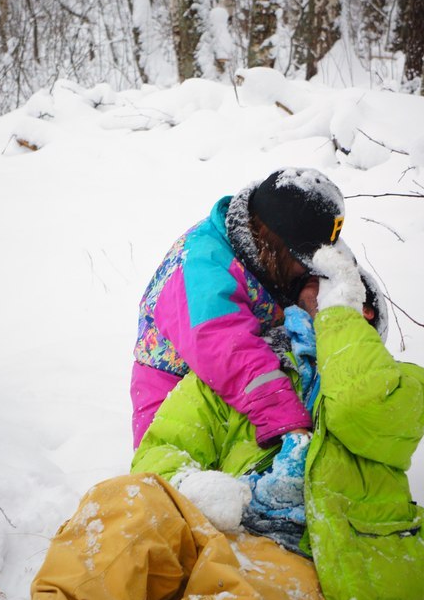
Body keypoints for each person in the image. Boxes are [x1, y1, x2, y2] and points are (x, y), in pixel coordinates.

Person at [0, 242, 424, 600]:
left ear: (363, 316)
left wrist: (341, 319)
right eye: (307, 297)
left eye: (330, 298)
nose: (315, 308)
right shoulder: (235, 381)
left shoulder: (402, 391)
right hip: (220, 526)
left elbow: (358, 402)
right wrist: (217, 494)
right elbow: (160, 454)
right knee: (128, 502)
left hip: (307, 557)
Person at [131, 166, 347, 450]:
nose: (307, 270)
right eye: (303, 262)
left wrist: (310, 290)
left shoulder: (263, 245)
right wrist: (286, 420)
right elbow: (229, 350)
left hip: (240, 393)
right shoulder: (202, 266)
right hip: (177, 408)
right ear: (276, 243)